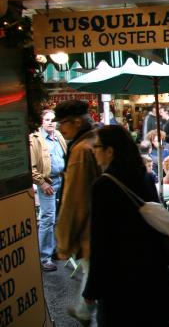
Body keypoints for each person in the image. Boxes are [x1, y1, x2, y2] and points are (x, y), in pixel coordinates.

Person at [84, 125, 169, 326]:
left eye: (96, 146)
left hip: (120, 278)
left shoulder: (103, 186)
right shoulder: (145, 177)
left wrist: (92, 288)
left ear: (110, 151)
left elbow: (101, 242)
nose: (93, 151)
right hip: (151, 271)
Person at [54, 100, 101, 324]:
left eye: (63, 123)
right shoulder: (97, 138)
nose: (60, 129)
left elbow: (74, 200)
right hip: (103, 224)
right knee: (95, 273)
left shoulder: (81, 150)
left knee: (95, 272)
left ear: (77, 122)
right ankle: (85, 308)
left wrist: (63, 240)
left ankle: (85, 309)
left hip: (92, 228)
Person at [30, 109, 67, 272]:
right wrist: (42, 183)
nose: (51, 122)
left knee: (57, 218)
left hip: (61, 180)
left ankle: (52, 251)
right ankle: (44, 257)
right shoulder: (35, 139)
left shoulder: (58, 136)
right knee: (47, 218)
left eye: (53, 119)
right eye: (47, 120)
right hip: (47, 183)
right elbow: (31, 167)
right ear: (41, 122)